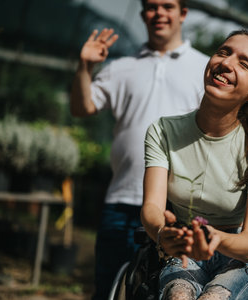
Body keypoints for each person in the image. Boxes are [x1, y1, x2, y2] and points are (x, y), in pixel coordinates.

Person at [70, 0, 209, 299]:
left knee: (168, 291)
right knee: (109, 290)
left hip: (178, 210)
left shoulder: (206, 68)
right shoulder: (120, 67)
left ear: (183, 13)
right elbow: (82, 107)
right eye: (151, 6)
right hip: (122, 201)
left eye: (167, 6)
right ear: (143, 13)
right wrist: (85, 67)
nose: (159, 13)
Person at [141, 29, 248, 300]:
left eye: (243, 63)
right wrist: (162, 232)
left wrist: (214, 238)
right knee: (178, 296)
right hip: (183, 250)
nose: (227, 63)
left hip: (239, 259)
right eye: (223, 52)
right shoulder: (163, 131)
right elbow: (152, 207)